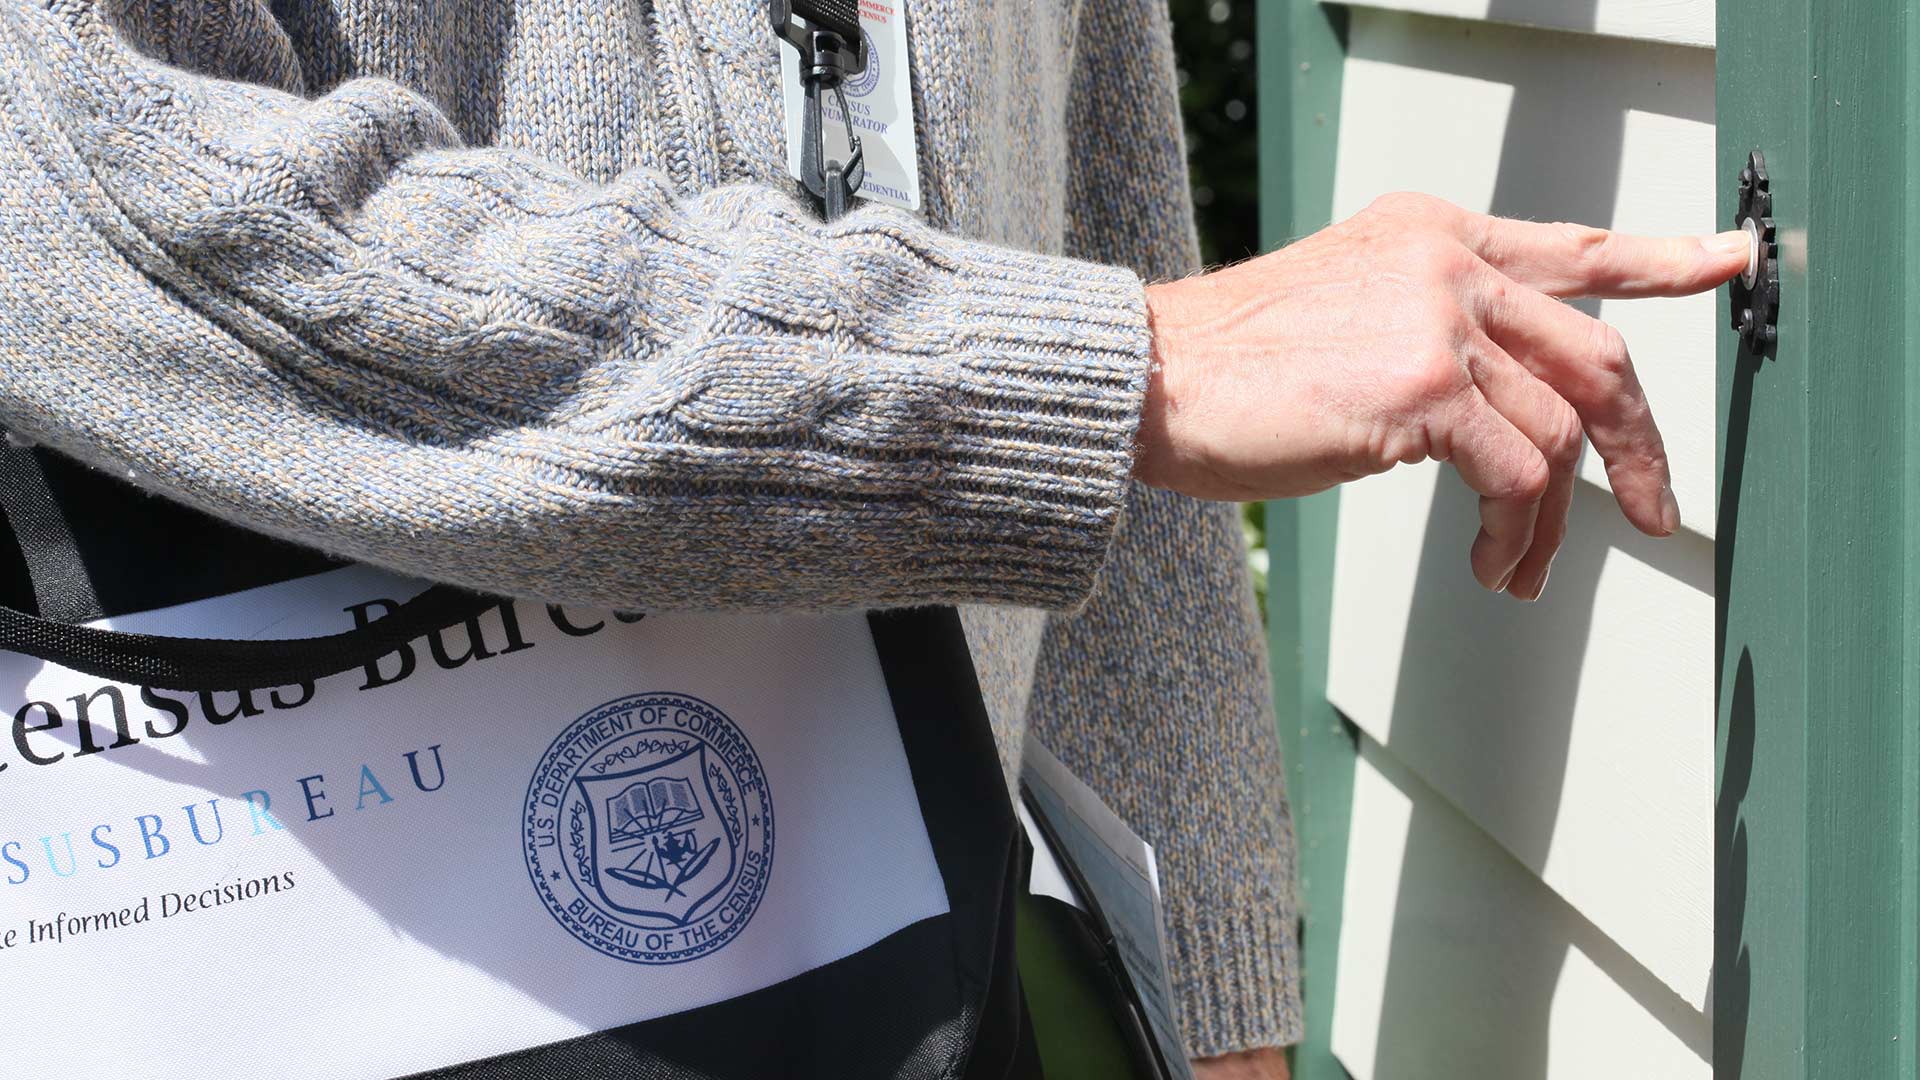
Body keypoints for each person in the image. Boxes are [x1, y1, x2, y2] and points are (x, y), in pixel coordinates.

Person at [0, 1, 1745, 1077]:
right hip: (304, 958)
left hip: (891, 977)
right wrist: (1103, 373)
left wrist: (1210, 995)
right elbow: (97, 209)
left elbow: (1105, 259)